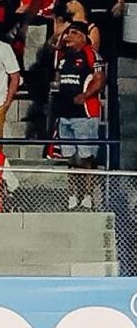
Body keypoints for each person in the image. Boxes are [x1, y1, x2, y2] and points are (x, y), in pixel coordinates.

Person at [54, 21, 106, 208]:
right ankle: (72, 196)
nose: (67, 36)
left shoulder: (91, 54)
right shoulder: (63, 56)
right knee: (70, 159)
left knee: (85, 158)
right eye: (67, 33)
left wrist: (85, 95)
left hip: (85, 114)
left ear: (83, 36)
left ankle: (88, 196)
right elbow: (58, 79)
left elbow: (100, 80)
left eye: (72, 33)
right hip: (65, 113)